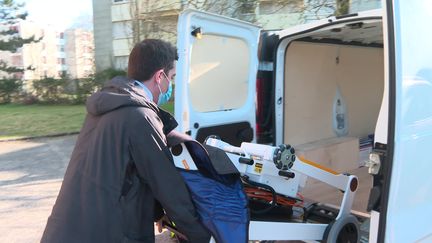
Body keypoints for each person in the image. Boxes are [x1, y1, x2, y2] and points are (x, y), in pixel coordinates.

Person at [41, 39, 210, 243]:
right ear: (159, 76)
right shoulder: (140, 116)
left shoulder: (107, 106)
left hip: (68, 228)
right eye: (171, 77)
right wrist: (201, 235)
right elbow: (166, 185)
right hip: (106, 233)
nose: (170, 84)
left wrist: (156, 213)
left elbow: (125, 171)